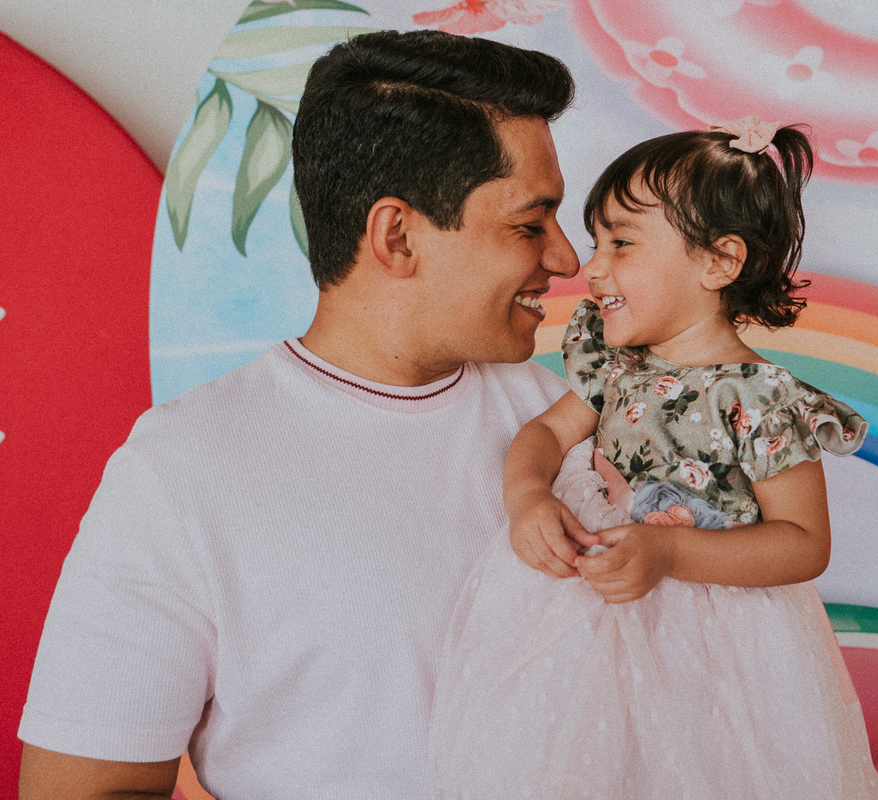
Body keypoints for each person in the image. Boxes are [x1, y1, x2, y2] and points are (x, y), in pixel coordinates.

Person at [18, 30, 578, 799]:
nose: (566, 258)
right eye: (529, 224)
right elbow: (79, 790)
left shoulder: (577, 432)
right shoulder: (181, 470)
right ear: (397, 234)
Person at [429, 119, 878, 798]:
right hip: (587, 622)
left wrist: (671, 555)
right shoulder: (615, 365)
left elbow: (803, 544)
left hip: (716, 649)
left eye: (621, 243)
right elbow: (545, 437)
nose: (594, 268)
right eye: (596, 243)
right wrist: (529, 496)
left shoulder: (760, 401)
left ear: (717, 262)